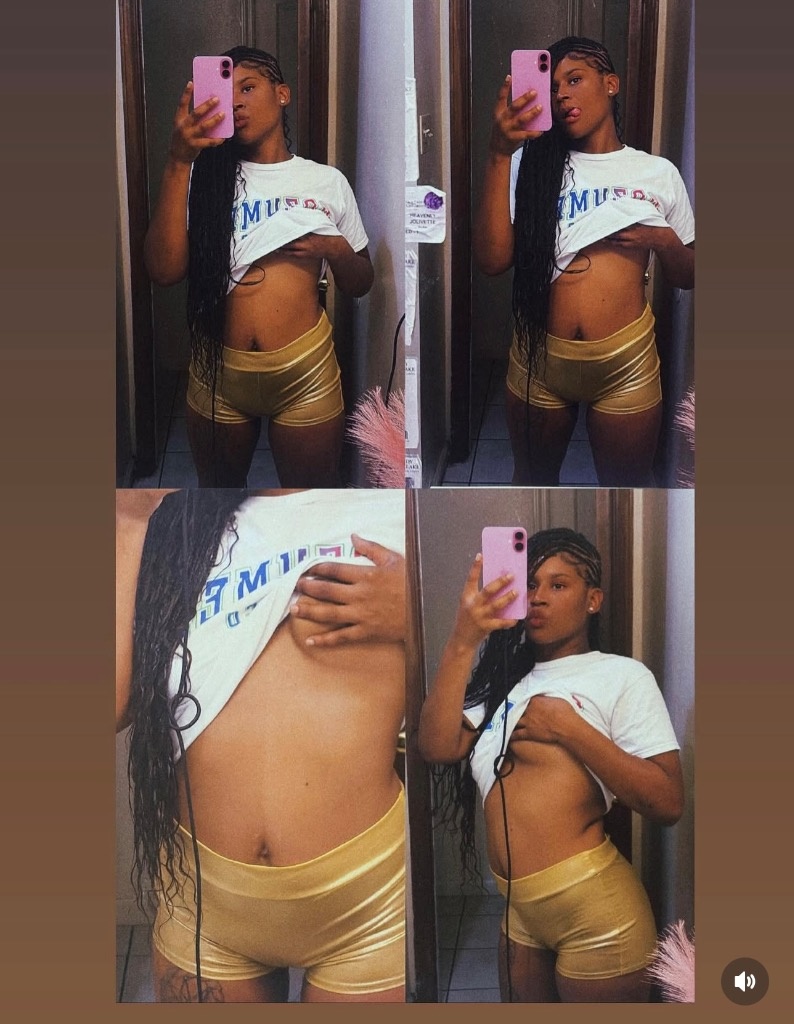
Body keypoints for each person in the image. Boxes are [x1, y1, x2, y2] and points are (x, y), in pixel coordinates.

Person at [116, 487, 406, 1003]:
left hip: (368, 908)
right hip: (203, 905)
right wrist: (128, 522)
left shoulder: (401, 506)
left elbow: (508, 629)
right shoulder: (174, 519)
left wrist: (422, 604)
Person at [418, 527, 684, 1002]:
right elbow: (436, 746)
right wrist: (462, 640)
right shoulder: (503, 681)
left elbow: (668, 802)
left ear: (593, 600)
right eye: (531, 584)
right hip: (520, 913)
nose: (539, 597)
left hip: (597, 914)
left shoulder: (622, 676)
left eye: (558, 584)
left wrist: (569, 728)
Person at [144, 47, 374, 488]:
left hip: (304, 371)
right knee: (219, 503)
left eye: (247, 88)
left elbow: (361, 283)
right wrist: (178, 160)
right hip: (217, 370)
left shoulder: (326, 181)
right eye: (224, 94)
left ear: (282, 94)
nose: (235, 102)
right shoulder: (200, 178)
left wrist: (335, 249)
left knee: (306, 503)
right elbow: (163, 270)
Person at [473, 37, 695, 486]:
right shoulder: (530, 165)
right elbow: (492, 261)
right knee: (532, 484)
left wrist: (661, 239)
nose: (561, 95)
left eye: (574, 80)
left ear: (611, 84)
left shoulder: (657, 172)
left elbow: (687, 275)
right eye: (553, 87)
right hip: (540, 356)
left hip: (625, 362)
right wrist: (499, 154)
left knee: (626, 492)